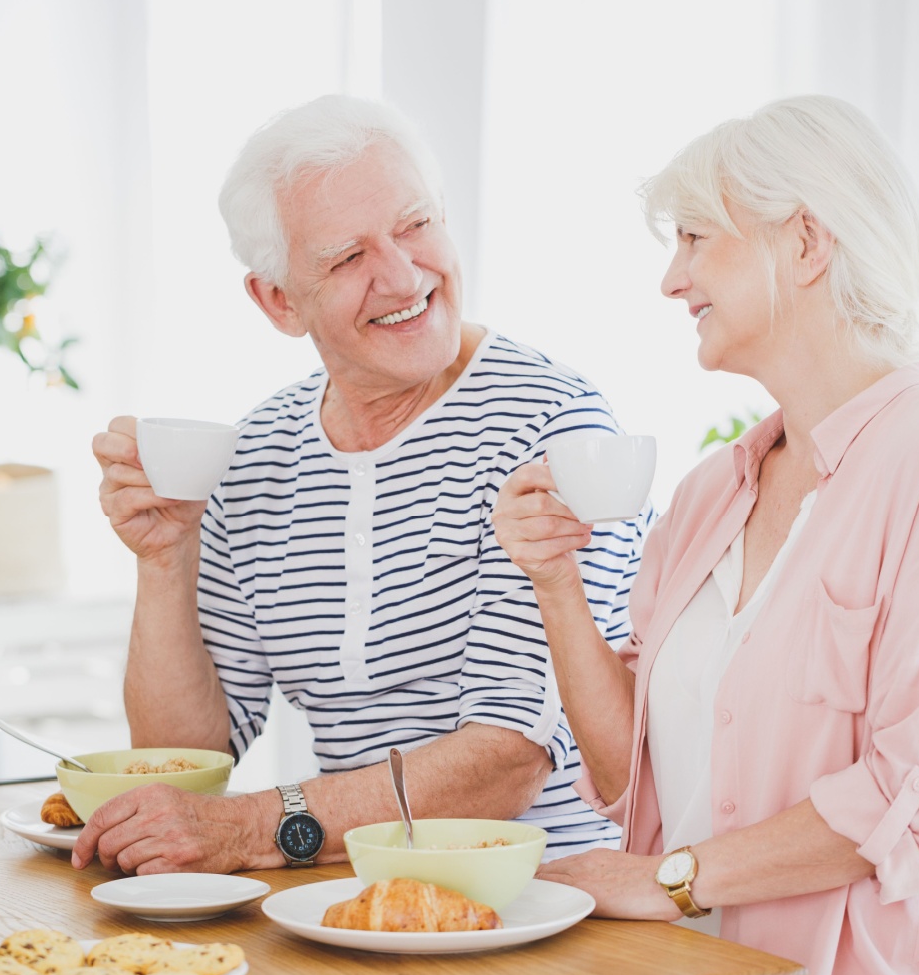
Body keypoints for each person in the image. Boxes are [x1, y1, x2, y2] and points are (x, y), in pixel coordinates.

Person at [492, 96, 919, 975]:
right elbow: (633, 777)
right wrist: (555, 585)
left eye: (697, 237)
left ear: (807, 244)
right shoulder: (709, 493)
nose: (672, 279)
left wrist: (670, 881)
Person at [73, 95, 652, 877]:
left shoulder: (552, 429)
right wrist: (162, 560)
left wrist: (254, 830)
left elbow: (507, 761)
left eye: (416, 225)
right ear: (278, 300)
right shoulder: (261, 452)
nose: (403, 275)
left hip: (541, 906)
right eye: (348, 258)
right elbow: (187, 758)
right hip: (345, 907)